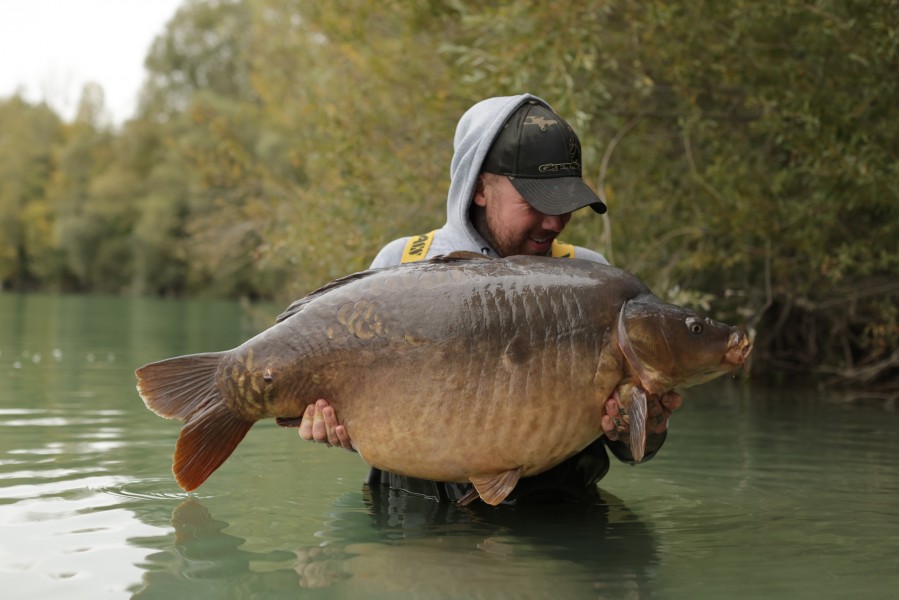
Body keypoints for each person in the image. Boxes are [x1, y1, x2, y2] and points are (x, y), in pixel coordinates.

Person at [299, 93, 681, 505]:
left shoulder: (592, 282)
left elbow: (631, 450)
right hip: (414, 523)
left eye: (567, 204)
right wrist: (337, 428)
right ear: (480, 188)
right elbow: (366, 421)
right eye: (536, 202)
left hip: (556, 523)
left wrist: (646, 428)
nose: (554, 222)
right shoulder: (400, 267)